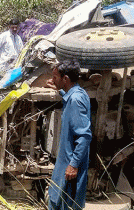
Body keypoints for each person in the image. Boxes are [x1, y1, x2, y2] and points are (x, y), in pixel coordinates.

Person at [46, 60, 92, 210]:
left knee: (62, 202)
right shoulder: (77, 93)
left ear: (65, 79)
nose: (52, 80)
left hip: (70, 162)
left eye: (55, 77)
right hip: (66, 160)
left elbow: (84, 136)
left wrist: (73, 164)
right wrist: (60, 90)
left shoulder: (76, 100)